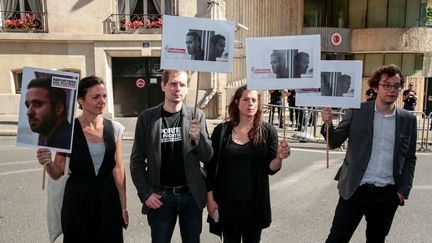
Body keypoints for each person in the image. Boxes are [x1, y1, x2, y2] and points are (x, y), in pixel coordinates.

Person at [321, 64, 417, 243]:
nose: (392, 90)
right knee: (336, 239)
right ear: (375, 87)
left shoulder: (408, 119)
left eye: (396, 86)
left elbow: (410, 158)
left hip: (388, 194)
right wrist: (328, 124)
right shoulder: (357, 111)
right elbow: (334, 142)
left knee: (376, 240)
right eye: (386, 85)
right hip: (355, 190)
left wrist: (403, 191)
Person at [36, 75, 128, 242]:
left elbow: (118, 169)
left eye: (104, 96)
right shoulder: (67, 130)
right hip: (78, 202)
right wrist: (47, 163)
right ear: (80, 100)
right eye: (95, 97)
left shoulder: (115, 128)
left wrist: (123, 205)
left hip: (108, 200)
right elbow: (57, 173)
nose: (102, 101)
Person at [130, 69, 213, 243]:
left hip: (191, 197)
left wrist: (199, 139)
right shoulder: (147, 118)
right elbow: (137, 162)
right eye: (173, 83)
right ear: (163, 85)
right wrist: (146, 194)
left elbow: (207, 157)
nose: (177, 88)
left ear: (188, 87)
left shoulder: (197, 116)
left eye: (182, 84)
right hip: (161, 198)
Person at [205, 85, 290, 243]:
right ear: (237, 102)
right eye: (245, 99)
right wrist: (210, 198)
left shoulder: (268, 131)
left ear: (258, 103)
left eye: (254, 100)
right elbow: (210, 167)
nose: (250, 103)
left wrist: (279, 157)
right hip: (228, 205)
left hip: (255, 205)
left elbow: (271, 169)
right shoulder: (221, 131)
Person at [25, 77, 72, 149]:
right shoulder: (55, 140)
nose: (29, 112)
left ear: (59, 108)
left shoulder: (66, 143)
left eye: (37, 104)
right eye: (28, 105)